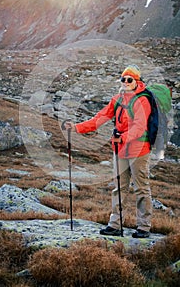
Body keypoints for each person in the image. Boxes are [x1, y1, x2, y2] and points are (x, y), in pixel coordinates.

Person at [64, 65, 153, 238]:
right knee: (119, 188)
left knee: (141, 189)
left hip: (138, 150)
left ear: (137, 82)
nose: (126, 82)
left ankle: (144, 227)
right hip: (120, 150)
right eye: (123, 79)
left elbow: (140, 127)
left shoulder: (143, 100)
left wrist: (123, 138)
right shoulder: (117, 99)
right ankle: (115, 224)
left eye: (130, 80)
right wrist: (75, 128)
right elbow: (99, 119)